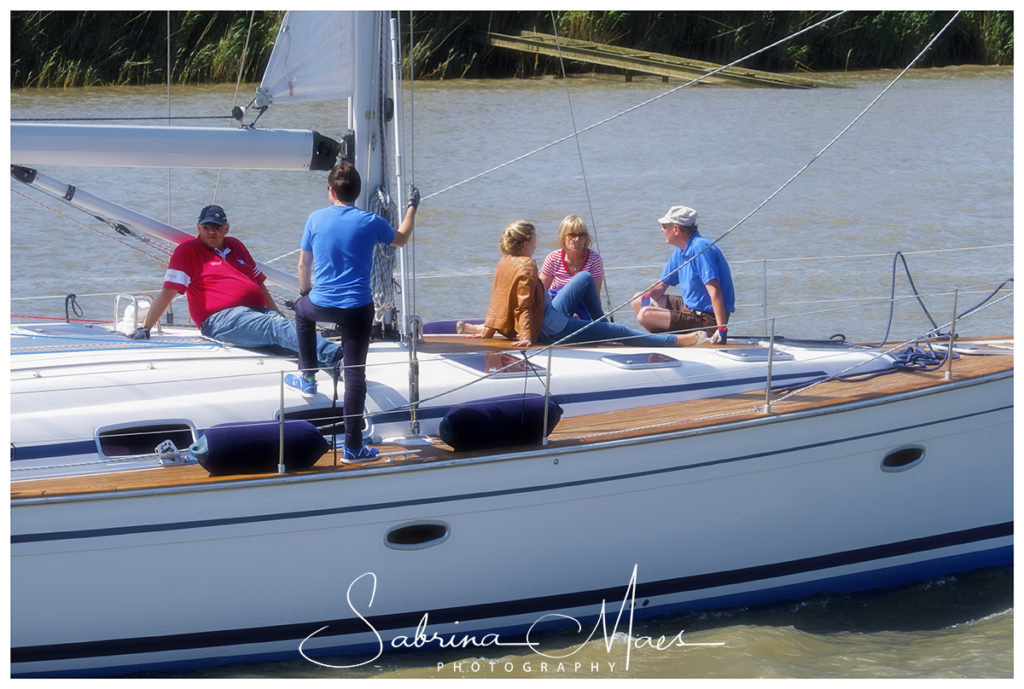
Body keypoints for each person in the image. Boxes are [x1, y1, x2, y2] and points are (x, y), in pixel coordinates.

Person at [289, 161, 419, 462]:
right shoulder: (371, 221)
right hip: (357, 309)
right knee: (355, 374)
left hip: (320, 304)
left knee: (300, 311)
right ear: (357, 193)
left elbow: (303, 265)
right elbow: (401, 238)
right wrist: (412, 207)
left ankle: (308, 377)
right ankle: (353, 448)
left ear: (331, 191)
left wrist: (306, 293)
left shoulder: (315, 219)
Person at [127, 204, 342, 366]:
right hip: (220, 320)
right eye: (207, 226)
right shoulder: (188, 251)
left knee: (286, 335)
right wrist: (146, 327)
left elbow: (260, 286)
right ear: (198, 227)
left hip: (255, 313)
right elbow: (168, 292)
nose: (212, 231)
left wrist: (277, 316)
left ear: (226, 228)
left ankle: (331, 368)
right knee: (276, 328)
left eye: (218, 227)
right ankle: (336, 356)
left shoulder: (236, 246)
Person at [461, 220, 707, 348]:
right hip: (553, 327)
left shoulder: (507, 261)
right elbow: (524, 305)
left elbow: (499, 299)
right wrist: (526, 336)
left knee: (584, 277)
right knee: (620, 332)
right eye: (535, 238)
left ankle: (600, 326)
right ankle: (678, 341)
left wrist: (489, 328)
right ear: (526, 243)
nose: (538, 242)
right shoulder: (527, 265)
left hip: (549, 312)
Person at [632, 205, 735, 344]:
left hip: (707, 319)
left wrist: (721, 328)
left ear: (676, 229)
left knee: (645, 315)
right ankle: (676, 337)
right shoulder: (680, 250)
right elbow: (661, 285)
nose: (661, 229)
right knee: (637, 300)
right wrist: (646, 300)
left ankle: (684, 340)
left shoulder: (700, 248)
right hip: (689, 309)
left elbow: (714, 290)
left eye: (664, 226)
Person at [540, 215, 605, 318]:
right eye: (572, 235)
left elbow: (595, 298)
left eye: (582, 235)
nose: (577, 239)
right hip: (557, 307)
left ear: (586, 238)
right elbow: (540, 293)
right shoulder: (553, 258)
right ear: (563, 236)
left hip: (583, 307)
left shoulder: (594, 259)